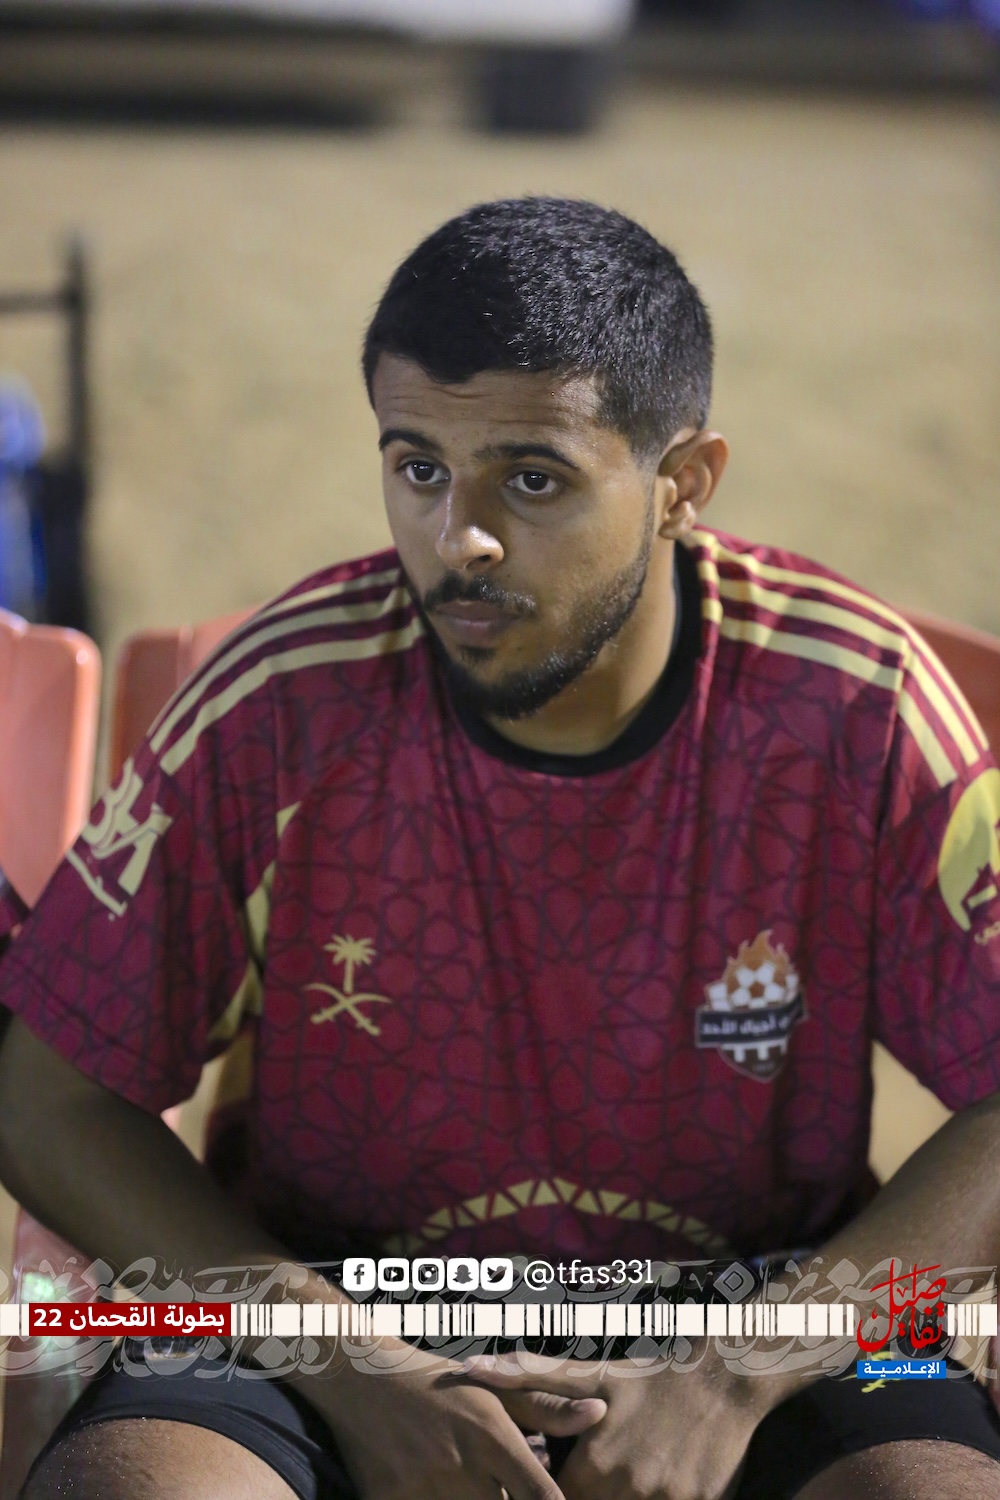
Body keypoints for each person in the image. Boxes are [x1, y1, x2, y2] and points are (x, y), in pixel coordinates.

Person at [0, 197, 998, 1500]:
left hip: (761, 1306)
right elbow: (46, 1095)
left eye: (533, 480)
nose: (458, 539)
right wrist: (352, 1362)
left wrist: (739, 1369)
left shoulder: (857, 705)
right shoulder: (278, 703)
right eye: (418, 466)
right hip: (327, 1305)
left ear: (684, 485)